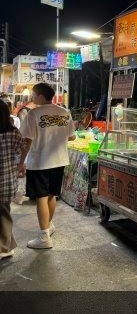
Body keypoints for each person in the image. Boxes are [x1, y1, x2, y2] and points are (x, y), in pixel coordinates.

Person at [18, 83, 75, 249]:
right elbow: (71, 137)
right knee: (51, 195)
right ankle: (48, 227)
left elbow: (27, 140)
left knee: (41, 197)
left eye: (34, 95)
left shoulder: (34, 113)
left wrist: (21, 163)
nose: (32, 98)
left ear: (41, 96)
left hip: (40, 161)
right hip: (60, 160)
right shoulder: (64, 112)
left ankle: (44, 237)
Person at [0, 99, 24, 259]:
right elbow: (20, 152)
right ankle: (8, 245)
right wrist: (19, 168)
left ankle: (4, 248)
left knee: (3, 215)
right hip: (8, 181)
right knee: (4, 213)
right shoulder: (14, 132)